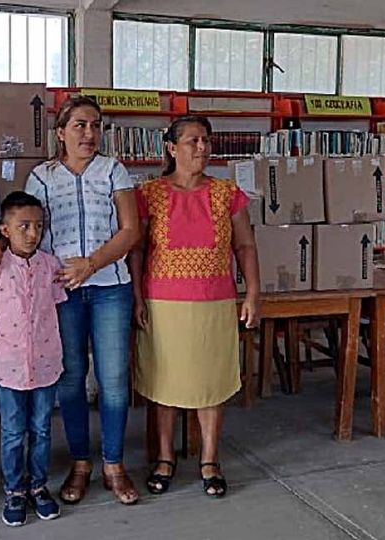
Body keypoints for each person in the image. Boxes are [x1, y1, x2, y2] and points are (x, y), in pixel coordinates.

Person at [0, 96, 141, 505]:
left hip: (109, 287)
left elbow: (130, 231)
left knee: (113, 381)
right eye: (79, 126)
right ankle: (80, 462)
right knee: (69, 380)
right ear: (61, 132)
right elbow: (24, 223)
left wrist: (92, 264)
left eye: (95, 125)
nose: (89, 133)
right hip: (60, 292)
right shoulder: (43, 176)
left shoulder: (113, 171)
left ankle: (114, 464)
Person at [129, 115, 261, 499]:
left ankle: (209, 460)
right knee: (165, 382)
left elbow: (246, 247)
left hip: (214, 302)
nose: (202, 147)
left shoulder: (227, 193)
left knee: (211, 383)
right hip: (162, 304)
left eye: (205, 140)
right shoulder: (149, 193)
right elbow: (137, 251)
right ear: (171, 148)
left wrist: (252, 294)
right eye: (192, 141)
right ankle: (166, 457)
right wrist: (137, 298)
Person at [0, 191, 68, 527]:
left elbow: (57, 305)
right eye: (23, 226)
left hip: (45, 364)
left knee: (41, 429)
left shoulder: (50, 266)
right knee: (13, 432)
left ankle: (38, 486)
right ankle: (14, 490)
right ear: (4, 230)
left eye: (38, 226)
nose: (32, 233)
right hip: (9, 367)